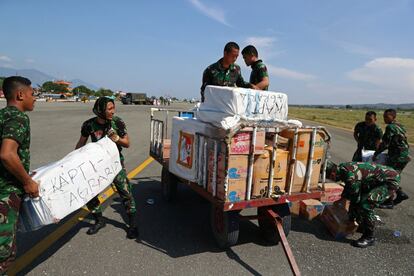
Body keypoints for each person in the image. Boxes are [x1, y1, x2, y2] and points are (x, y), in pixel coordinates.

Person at [75, 97, 139, 239]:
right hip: (96, 165)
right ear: (100, 110)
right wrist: (73, 161)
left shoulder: (117, 122)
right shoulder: (89, 125)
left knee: (125, 192)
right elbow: (81, 144)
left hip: (115, 164)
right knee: (90, 193)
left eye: (113, 108)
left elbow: (127, 143)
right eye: (109, 109)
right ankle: (99, 220)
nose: (113, 111)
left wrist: (116, 139)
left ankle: (133, 225)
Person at [0, 76, 39, 273]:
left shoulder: (2, 115)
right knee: (4, 254)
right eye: (33, 94)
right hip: (5, 194)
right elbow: (7, 154)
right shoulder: (18, 117)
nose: (35, 98)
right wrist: (27, 181)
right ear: (20, 95)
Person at [326, 161, 404, 248]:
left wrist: (350, 218)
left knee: (366, 205)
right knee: (359, 201)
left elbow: (355, 198)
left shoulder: (350, 176)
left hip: (389, 181)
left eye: (331, 177)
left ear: (333, 173)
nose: (333, 180)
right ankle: (362, 225)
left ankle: (369, 237)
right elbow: (350, 190)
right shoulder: (342, 168)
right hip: (376, 179)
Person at [373, 109, 411, 208]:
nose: (384, 118)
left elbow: (385, 143)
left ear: (393, 117)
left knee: (388, 177)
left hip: (396, 157)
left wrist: (376, 153)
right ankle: (400, 194)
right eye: (384, 116)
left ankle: (389, 201)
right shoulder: (400, 125)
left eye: (387, 117)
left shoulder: (390, 127)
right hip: (403, 156)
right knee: (394, 177)